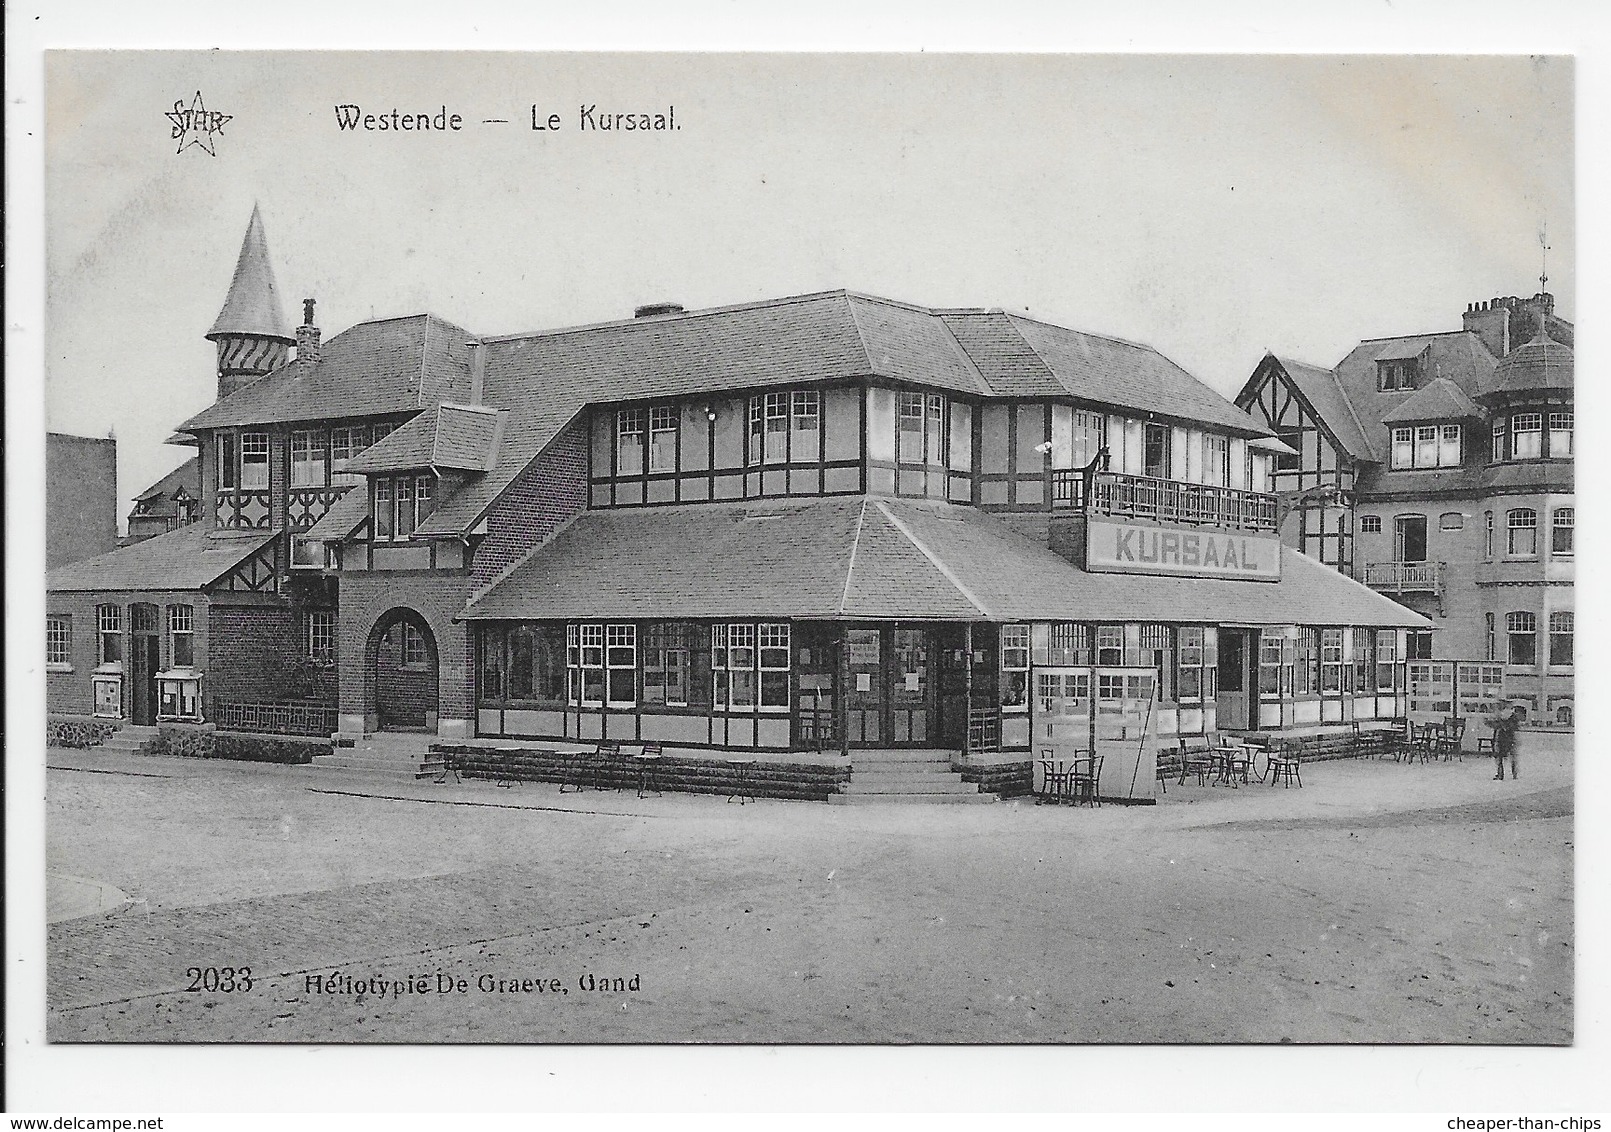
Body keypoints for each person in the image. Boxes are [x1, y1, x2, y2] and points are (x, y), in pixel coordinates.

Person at [1488, 701, 1523, 781]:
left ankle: (1500, 774)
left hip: (1502, 737)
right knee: (1512, 756)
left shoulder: (1500, 716)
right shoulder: (1512, 716)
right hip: (1510, 737)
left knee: (1499, 756)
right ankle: (1514, 773)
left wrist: (1494, 723)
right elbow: (1515, 726)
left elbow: (1496, 725)